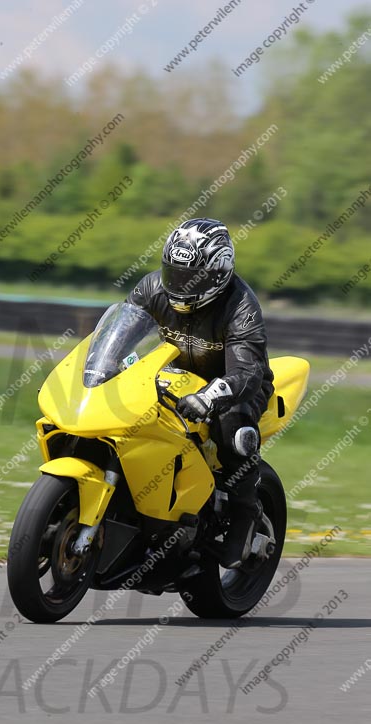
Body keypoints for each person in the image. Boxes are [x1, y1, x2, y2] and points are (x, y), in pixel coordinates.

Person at [126, 218, 274, 569]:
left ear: (219, 273)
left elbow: (247, 371)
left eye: (192, 278)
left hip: (237, 383)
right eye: (174, 274)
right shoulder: (152, 288)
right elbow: (121, 333)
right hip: (177, 375)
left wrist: (211, 396)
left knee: (231, 428)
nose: (179, 285)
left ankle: (244, 513)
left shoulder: (240, 305)